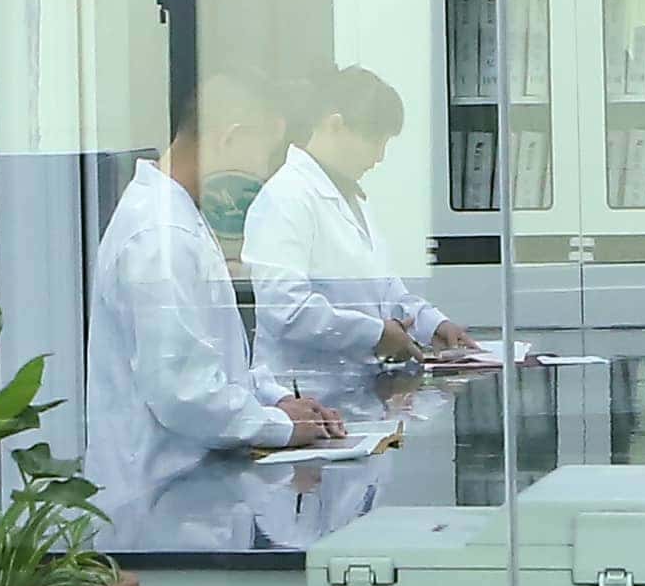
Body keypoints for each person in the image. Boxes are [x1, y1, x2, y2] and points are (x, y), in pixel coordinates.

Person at [86, 68, 346, 552]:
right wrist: (281, 426)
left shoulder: (179, 217)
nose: (263, 178)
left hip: (190, 503)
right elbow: (182, 393)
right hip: (159, 515)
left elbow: (214, 360)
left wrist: (275, 401)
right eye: (264, 157)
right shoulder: (160, 236)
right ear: (230, 138)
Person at [243, 65, 478, 393]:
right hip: (302, 392)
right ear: (335, 126)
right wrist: (376, 334)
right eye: (375, 141)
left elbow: (386, 292)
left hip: (353, 392)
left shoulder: (350, 198)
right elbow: (288, 311)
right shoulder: (285, 198)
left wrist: (434, 324)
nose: (379, 157)